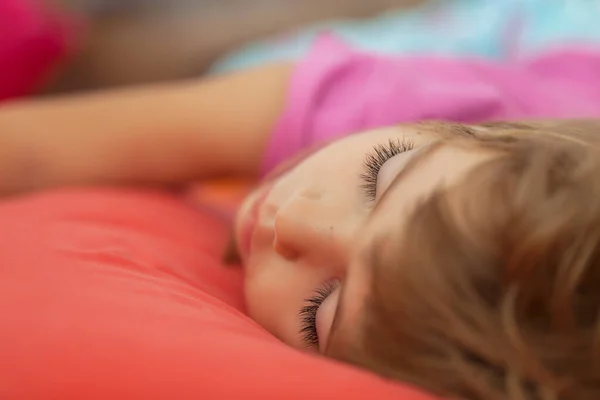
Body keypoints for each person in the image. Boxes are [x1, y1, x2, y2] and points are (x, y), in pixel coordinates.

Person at [2, 36, 600, 398]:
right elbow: (39, 146)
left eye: (322, 310)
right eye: (380, 175)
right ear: (468, 131)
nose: (294, 225)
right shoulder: (389, 106)